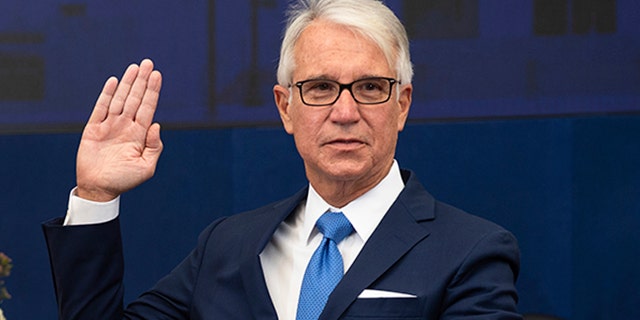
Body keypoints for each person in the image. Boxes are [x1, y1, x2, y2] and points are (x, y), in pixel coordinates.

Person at [43, 0, 521, 319]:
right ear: (284, 107)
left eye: (371, 88)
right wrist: (97, 197)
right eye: (320, 88)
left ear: (403, 104)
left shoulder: (471, 251)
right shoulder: (225, 246)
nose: (345, 113)